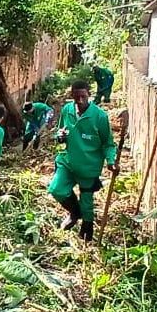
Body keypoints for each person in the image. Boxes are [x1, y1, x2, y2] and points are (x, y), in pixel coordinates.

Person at [49, 81, 117, 241]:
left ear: (89, 95)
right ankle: (75, 212)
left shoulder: (99, 117)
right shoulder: (67, 110)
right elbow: (59, 132)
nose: (80, 101)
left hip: (88, 166)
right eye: (76, 97)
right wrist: (59, 137)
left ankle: (87, 226)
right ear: (72, 96)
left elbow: (108, 143)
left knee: (86, 200)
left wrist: (111, 161)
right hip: (67, 161)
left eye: (83, 96)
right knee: (56, 189)